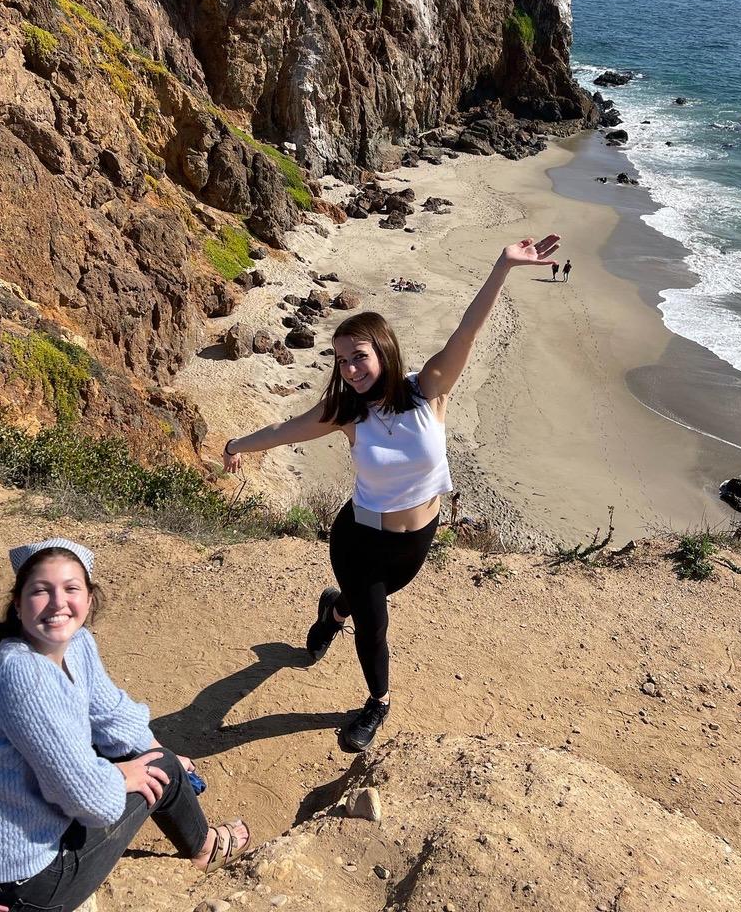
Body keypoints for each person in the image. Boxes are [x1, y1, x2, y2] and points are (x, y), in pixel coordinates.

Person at [223, 236, 559, 752]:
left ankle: (334, 610)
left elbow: (467, 331)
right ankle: (377, 702)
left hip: (416, 542)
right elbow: (284, 430)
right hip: (360, 539)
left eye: (358, 356)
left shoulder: (429, 390)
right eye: (341, 360)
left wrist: (503, 266)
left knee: (365, 603)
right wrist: (236, 445)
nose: (349, 369)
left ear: (383, 351)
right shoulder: (347, 413)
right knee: (374, 624)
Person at [0, 538, 250, 912]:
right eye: (41, 590)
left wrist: (152, 749)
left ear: (88, 598)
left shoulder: (74, 644)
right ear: (18, 603)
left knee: (156, 757)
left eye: (71, 589)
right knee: (162, 769)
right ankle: (205, 848)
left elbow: (111, 714)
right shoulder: (24, 677)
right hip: (16, 887)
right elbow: (92, 804)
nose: (58, 602)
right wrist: (126, 774)